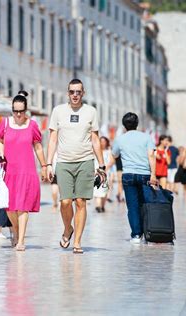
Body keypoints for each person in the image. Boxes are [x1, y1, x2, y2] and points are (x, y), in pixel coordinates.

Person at [46, 79, 106, 254]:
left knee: (80, 202)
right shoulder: (58, 111)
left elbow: (95, 139)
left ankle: (77, 242)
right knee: (65, 202)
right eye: (72, 91)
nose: (75, 95)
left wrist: (101, 165)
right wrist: (48, 163)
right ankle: (67, 229)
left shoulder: (91, 112)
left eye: (78, 92)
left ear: (83, 93)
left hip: (85, 161)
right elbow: (52, 139)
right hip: (63, 162)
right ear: (67, 93)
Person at [0, 91, 47, 251]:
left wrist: (45, 166)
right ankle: (16, 232)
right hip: (9, 170)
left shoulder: (32, 125)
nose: (18, 114)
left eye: (21, 111)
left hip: (27, 170)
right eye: (15, 111)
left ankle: (21, 240)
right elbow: (0, 142)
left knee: (23, 206)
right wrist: (1, 155)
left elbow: (38, 147)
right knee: (10, 207)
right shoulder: (4, 124)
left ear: (26, 110)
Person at [112, 113, 157, 244]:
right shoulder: (146, 137)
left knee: (132, 206)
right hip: (145, 174)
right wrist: (153, 174)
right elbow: (151, 156)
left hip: (128, 175)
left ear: (124, 125)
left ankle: (136, 235)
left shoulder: (120, 139)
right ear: (137, 123)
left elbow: (114, 155)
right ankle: (148, 231)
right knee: (145, 204)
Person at [94, 137, 115, 213]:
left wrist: (105, 169)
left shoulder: (109, 151)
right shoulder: (95, 151)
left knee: (104, 190)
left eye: (104, 141)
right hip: (96, 172)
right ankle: (98, 206)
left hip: (106, 173)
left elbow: (112, 161)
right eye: (101, 141)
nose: (102, 143)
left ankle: (102, 206)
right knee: (97, 189)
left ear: (106, 142)